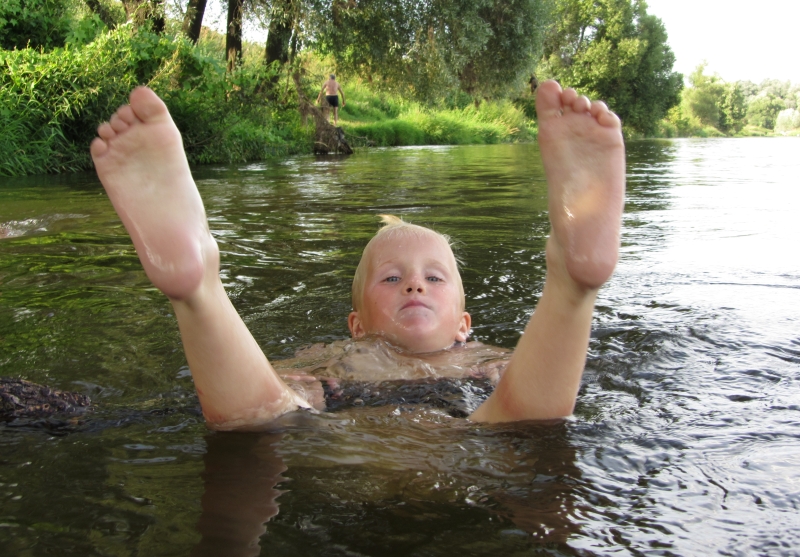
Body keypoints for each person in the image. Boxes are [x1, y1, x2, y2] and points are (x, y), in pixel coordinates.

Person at [89, 80, 625, 430]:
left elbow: (534, 373)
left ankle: (572, 283)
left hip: (468, 439)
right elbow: (268, 376)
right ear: (357, 324)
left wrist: (517, 370)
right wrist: (291, 384)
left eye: (434, 278)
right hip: (343, 445)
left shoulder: (482, 359)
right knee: (263, 411)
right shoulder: (337, 357)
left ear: (464, 325)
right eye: (391, 279)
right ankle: (197, 289)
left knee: (528, 410)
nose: (414, 285)